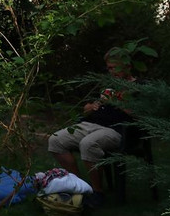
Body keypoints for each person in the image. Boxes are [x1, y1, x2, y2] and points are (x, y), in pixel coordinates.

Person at [47, 54, 136, 205]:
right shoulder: (108, 84)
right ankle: (79, 186)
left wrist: (117, 102)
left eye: (115, 68)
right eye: (109, 68)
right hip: (90, 123)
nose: (111, 72)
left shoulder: (139, 86)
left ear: (128, 66)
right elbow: (87, 107)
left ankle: (97, 192)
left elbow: (139, 114)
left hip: (117, 129)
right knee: (55, 140)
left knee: (88, 144)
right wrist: (90, 107)